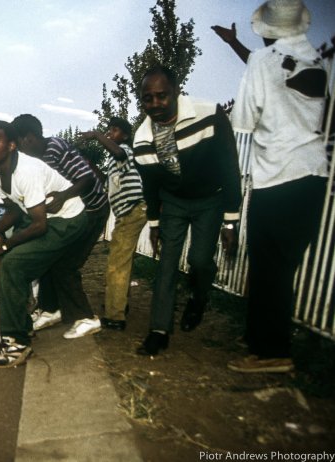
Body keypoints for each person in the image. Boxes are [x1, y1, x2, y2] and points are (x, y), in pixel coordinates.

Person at [216, 0, 329, 373]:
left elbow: (244, 119)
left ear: (266, 29)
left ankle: (273, 353)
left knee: (268, 268)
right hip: (314, 177)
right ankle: (260, 339)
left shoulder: (262, 64)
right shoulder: (320, 62)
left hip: (277, 178)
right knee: (279, 267)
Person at [133, 65, 242, 356]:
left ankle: (199, 294)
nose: (155, 104)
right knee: (166, 264)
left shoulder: (209, 114)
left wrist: (231, 222)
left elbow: (230, 165)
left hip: (211, 199)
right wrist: (154, 223)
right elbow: (151, 186)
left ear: (176, 92)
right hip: (175, 202)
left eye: (162, 96)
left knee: (200, 260)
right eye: (147, 98)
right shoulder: (142, 140)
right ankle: (158, 331)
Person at [0, 120, 89, 368]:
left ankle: (17, 342)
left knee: (13, 264)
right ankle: (23, 328)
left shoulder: (26, 170)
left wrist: (5, 245)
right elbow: (15, 210)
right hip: (47, 219)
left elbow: (39, 225)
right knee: (12, 263)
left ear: (11, 145)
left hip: (67, 220)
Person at [11, 114, 109, 340]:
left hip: (92, 211)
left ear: (30, 139)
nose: (19, 152)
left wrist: (63, 196)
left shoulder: (55, 148)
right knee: (49, 256)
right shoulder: (35, 161)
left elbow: (87, 178)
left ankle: (86, 318)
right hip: (72, 213)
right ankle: (51, 309)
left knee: (66, 265)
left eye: (20, 145)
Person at [82, 117, 147, 331]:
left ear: (126, 136)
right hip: (126, 213)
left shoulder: (126, 150)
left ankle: (115, 316)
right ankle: (120, 305)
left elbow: (118, 152)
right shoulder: (114, 161)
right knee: (121, 261)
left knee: (116, 264)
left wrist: (96, 135)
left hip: (132, 210)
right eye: (109, 130)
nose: (110, 133)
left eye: (115, 130)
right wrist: (92, 168)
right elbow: (107, 183)